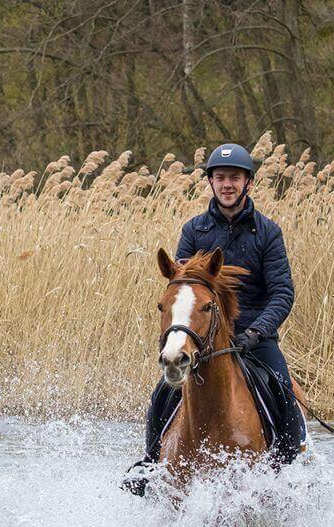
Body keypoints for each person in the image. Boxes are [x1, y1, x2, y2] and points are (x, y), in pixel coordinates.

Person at [123, 143, 304, 495]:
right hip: (203, 334)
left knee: (282, 387)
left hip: (254, 336)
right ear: (211, 182)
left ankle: (289, 472)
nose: (227, 184)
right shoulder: (195, 230)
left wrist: (255, 332)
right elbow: (181, 287)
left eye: (234, 178)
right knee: (162, 391)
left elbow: (283, 293)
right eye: (220, 177)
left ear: (247, 182)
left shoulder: (268, 232)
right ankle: (148, 462)